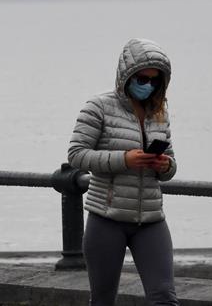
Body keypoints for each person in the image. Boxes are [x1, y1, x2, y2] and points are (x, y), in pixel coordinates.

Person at [68, 38, 178, 306]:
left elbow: (171, 163)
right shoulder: (98, 107)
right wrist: (124, 159)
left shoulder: (158, 112)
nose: (148, 85)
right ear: (126, 74)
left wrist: (165, 166)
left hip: (151, 218)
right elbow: (76, 155)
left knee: (164, 296)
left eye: (154, 80)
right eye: (142, 78)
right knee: (103, 299)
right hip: (107, 218)